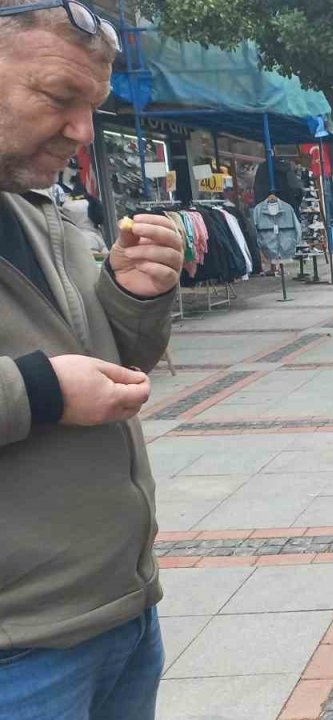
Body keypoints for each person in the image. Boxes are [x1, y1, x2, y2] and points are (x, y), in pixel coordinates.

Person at [0, 3, 184, 718]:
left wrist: (134, 294)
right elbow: (57, 380)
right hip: (22, 650)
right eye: (58, 97)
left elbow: (111, 361)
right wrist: (40, 389)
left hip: (118, 618)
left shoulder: (33, 204)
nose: (83, 132)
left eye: (95, 105)